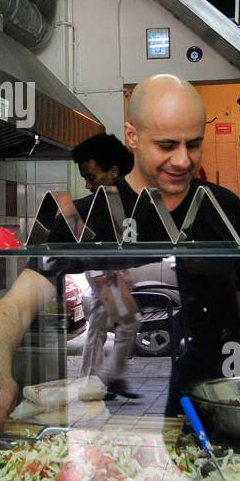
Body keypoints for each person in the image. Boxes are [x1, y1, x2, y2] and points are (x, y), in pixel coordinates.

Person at [0, 74, 240, 428]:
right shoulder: (84, 218)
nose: (183, 160)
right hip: (120, 422)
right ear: (132, 136)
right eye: (167, 145)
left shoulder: (224, 206)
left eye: (193, 144)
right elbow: (16, 305)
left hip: (217, 410)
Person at [70, 133, 141, 398]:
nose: (88, 185)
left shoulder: (119, 200)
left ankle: (90, 382)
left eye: (91, 177)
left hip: (104, 270)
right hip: (102, 271)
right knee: (130, 320)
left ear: (113, 172)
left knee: (98, 327)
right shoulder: (97, 203)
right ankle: (114, 377)